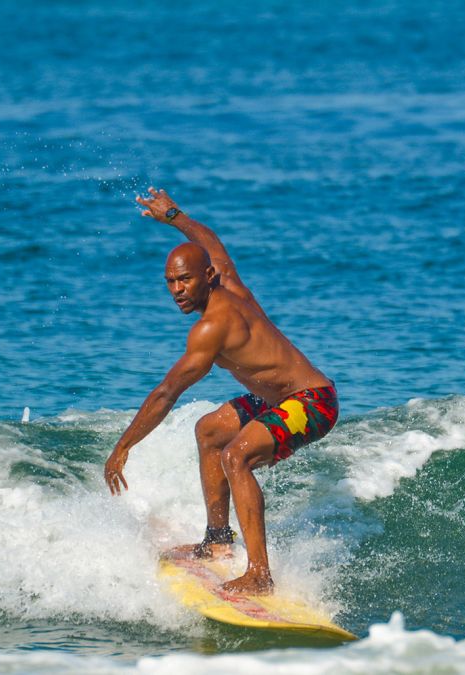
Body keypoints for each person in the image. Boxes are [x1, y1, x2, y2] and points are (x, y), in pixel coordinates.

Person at [103, 187, 339, 595]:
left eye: (185, 279)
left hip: (312, 402)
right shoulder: (227, 281)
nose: (177, 289)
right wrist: (174, 216)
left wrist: (124, 447)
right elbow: (210, 243)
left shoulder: (211, 328)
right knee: (210, 430)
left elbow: (166, 393)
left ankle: (260, 574)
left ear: (206, 277)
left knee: (236, 455)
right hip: (278, 400)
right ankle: (216, 540)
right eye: (170, 282)